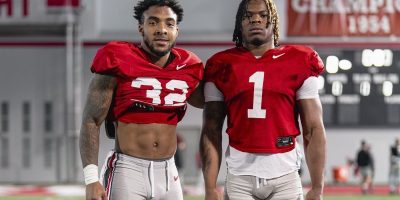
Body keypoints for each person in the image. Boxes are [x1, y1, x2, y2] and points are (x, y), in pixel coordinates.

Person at [199, 0, 326, 200]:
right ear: (239, 23)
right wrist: (209, 188)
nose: (256, 19)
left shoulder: (300, 59)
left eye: (263, 15)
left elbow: (313, 128)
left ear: (274, 20)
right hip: (240, 177)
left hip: (286, 176)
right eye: (248, 15)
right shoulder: (221, 64)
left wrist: (317, 186)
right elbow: (211, 129)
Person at [79, 0, 204, 199]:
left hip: (168, 171)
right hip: (128, 170)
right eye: (153, 22)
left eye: (169, 24)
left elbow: (211, 101)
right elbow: (91, 120)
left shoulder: (189, 66)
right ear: (141, 28)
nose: (162, 29)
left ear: (177, 30)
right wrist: (91, 179)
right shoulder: (117, 57)